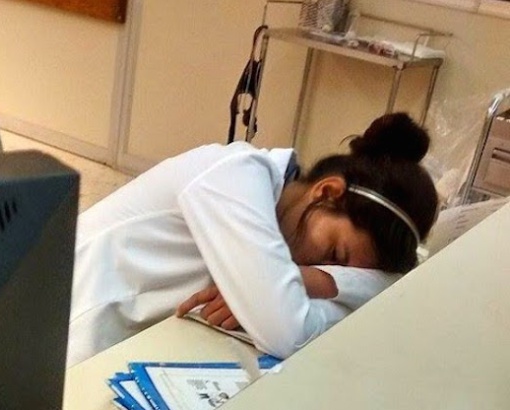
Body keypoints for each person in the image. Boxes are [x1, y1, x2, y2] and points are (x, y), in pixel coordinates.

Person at [67, 113, 438, 368]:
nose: (321, 268)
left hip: (137, 341)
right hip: (69, 337)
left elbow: (397, 283)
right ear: (327, 192)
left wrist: (310, 282)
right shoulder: (236, 176)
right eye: (334, 255)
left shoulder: (278, 208)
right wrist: (316, 287)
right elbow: (289, 332)